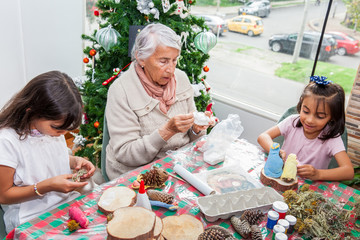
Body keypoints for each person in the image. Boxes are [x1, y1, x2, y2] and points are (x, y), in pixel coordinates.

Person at [105, 23, 212, 180]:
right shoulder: (121, 90)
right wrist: (166, 131)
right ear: (141, 58)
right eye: (163, 61)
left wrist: (197, 128)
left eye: (175, 60)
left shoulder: (181, 78)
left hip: (177, 166)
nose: (171, 69)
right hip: (137, 174)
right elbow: (126, 153)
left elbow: (194, 138)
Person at [0, 71, 96, 233]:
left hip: (65, 203)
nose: (63, 134)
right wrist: (47, 186)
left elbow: (49, 157)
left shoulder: (50, 129)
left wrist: (75, 161)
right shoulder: (7, 140)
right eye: (57, 128)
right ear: (31, 111)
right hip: (29, 216)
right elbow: (4, 195)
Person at [257, 76, 354, 181]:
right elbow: (263, 137)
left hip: (308, 187)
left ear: (332, 117)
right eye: (306, 111)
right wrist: (276, 151)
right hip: (281, 178)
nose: (310, 120)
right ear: (301, 104)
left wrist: (317, 174)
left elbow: (348, 172)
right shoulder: (292, 122)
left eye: (320, 116)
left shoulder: (332, 138)